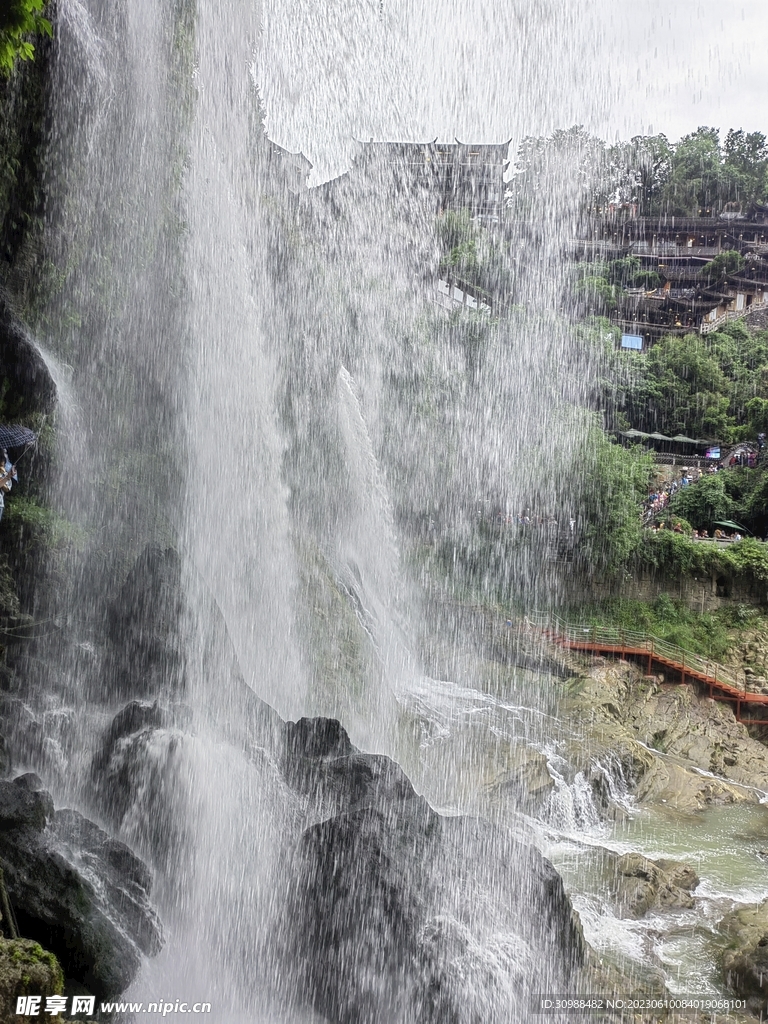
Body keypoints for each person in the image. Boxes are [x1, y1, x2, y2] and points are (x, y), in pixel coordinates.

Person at [0, 450, 17, 524]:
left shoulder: (4, 474)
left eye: (3, 465)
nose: (2, 467)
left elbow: (8, 488)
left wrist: (8, 476)